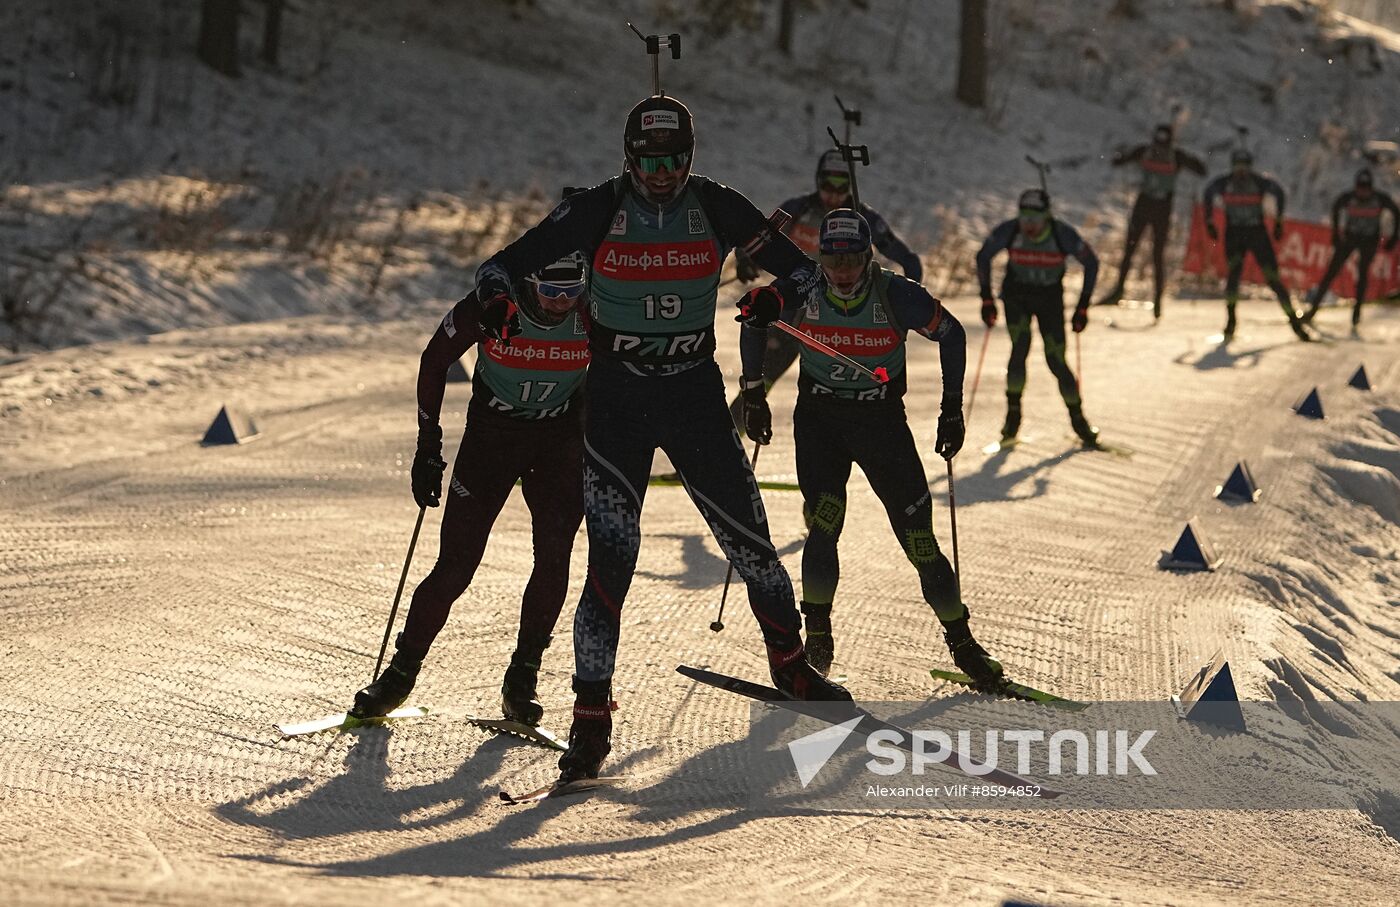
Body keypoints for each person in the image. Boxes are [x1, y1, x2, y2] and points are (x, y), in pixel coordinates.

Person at [472, 95, 852, 786]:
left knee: (750, 541)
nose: (662, 172)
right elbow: (499, 266)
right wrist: (498, 301)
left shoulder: (714, 204)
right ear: (628, 156)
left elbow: (805, 276)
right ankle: (591, 722)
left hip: (692, 396)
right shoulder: (596, 208)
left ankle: (792, 667)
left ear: (692, 157)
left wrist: (773, 301)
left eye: (675, 158)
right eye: (650, 159)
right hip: (615, 399)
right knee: (611, 562)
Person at [738, 209, 1005, 688]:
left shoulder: (896, 293)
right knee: (824, 525)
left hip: (881, 425)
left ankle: (962, 641)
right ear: (821, 258)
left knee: (919, 539)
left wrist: (952, 409)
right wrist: (754, 391)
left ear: (867, 257)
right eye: (832, 260)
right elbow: (754, 313)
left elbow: (952, 333)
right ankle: (816, 637)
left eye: (851, 260)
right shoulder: (806, 286)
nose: (841, 271)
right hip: (820, 423)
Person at [350, 255, 592, 729]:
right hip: (492, 437)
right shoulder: (492, 306)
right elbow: (434, 360)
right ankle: (400, 675)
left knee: (554, 557)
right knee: (456, 565)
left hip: (559, 440)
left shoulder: (593, 310)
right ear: (529, 281)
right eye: (549, 293)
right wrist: (428, 444)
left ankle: (523, 676)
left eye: (571, 292)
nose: (560, 304)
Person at [727, 149, 923, 429]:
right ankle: (726, 448)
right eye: (827, 184)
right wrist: (746, 261)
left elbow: (908, 259)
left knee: (847, 389)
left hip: (840, 315)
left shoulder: (862, 218)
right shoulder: (798, 209)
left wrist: (907, 296)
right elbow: (756, 237)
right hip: (791, 309)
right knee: (759, 380)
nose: (833, 193)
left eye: (842, 185)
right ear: (817, 181)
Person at [976, 188, 1101, 447]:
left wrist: (1083, 307)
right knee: (1019, 349)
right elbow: (983, 256)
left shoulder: (1061, 234)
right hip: (1017, 296)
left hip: (1049, 300)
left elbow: (1092, 263)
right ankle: (1012, 418)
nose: (1029, 225)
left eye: (1035, 218)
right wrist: (986, 297)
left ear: (1047, 216)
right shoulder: (1011, 230)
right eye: (1024, 217)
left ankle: (1079, 420)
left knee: (1056, 360)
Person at [1201, 149, 1310, 341]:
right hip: (1234, 234)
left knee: (1273, 279)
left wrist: (1278, 221)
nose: (1241, 171)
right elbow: (1208, 192)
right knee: (1233, 278)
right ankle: (1231, 322)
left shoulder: (1258, 182)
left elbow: (1279, 192)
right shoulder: (1225, 182)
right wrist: (1209, 221)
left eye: (1245, 167)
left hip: (1256, 234)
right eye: (1238, 167)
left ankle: (1294, 322)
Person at [1102, 123, 1206, 318]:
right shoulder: (1149, 152)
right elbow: (1122, 160)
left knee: (1155, 255)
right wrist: (1120, 157)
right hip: (1145, 206)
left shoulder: (1174, 155)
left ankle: (1157, 301)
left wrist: (1191, 160)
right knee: (1132, 250)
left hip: (1160, 209)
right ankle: (1120, 292)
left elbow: (1200, 170)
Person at [1301, 167, 1399, 331]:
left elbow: (1396, 212)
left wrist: (1394, 237)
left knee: (1362, 275)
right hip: (1350, 238)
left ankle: (1356, 313)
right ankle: (1313, 309)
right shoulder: (1349, 197)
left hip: (1369, 240)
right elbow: (1336, 208)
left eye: (1365, 189)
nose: (1362, 192)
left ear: (1370, 188)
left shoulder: (1379, 198)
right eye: (1360, 188)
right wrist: (1336, 234)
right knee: (1331, 272)